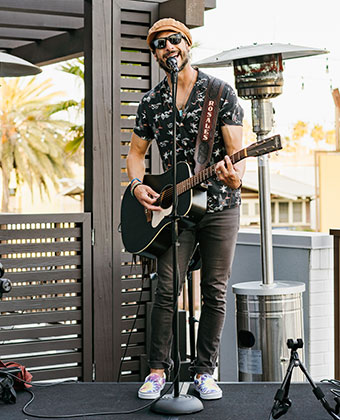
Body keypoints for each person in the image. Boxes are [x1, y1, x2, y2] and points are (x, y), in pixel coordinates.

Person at [126, 17, 245, 401]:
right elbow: (136, 152)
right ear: (156, 54)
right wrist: (138, 184)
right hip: (172, 211)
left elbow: (237, 158)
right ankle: (158, 372)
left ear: (187, 44)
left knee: (214, 290)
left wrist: (233, 176)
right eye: (159, 44)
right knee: (166, 289)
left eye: (174, 40)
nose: (168, 48)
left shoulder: (219, 93)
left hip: (219, 205)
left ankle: (204, 373)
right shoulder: (151, 102)